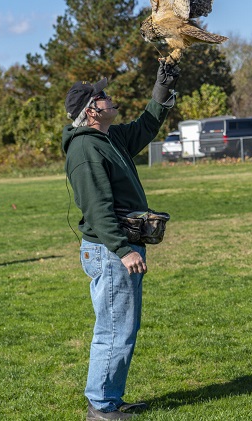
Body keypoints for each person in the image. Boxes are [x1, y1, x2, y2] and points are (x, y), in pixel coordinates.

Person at [63, 60, 180, 420]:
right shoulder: (86, 149)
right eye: (103, 96)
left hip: (114, 249)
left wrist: (163, 87)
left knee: (121, 327)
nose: (110, 98)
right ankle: (100, 407)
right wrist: (123, 249)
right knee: (115, 329)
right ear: (92, 110)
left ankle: (109, 400)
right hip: (109, 250)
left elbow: (147, 125)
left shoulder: (107, 137)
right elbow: (96, 207)